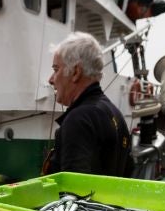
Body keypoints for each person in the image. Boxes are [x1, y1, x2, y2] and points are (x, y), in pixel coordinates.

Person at [43, 32, 132, 176]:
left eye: (56, 69)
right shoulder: (114, 113)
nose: (51, 79)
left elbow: (74, 191)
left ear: (76, 72)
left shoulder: (78, 120)